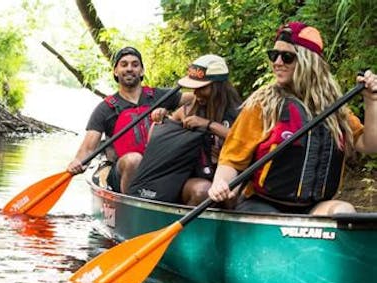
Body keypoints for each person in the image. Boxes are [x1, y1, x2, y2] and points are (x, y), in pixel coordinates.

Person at [207, 21, 377, 215]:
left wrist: (371, 100)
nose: (277, 62)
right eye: (274, 55)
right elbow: (230, 160)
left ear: (309, 62)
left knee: (344, 210)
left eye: (287, 57)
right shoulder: (263, 105)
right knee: (275, 223)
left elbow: (370, 145)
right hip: (264, 205)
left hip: (312, 209)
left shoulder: (334, 109)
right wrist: (221, 182)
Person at [67, 46, 192, 193]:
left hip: (158, 167)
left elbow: (197, 99)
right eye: (124, 64)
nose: (129, 68)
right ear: (115, 71)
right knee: (134, 160)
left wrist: (175, 116)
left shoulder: (159, 96)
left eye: (135, 64)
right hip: (123, 171)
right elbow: (88, 149)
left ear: (141, 71)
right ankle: (132, 204)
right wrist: (77, 162)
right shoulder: (105, 109)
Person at [128, 54, 241, 205]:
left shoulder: (240, 113)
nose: (197, 94)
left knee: (235, 196)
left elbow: (243, 140)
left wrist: (208, 125)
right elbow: (155, 143)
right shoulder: (187, 110)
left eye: (203, 88)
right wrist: (160, 119)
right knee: (202, 191)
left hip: (228, 175)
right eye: (195, 89)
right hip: (191, 176)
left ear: (218, 87)